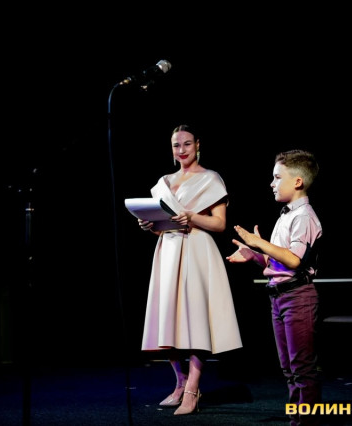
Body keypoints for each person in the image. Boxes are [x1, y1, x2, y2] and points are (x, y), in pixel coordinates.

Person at [136, 124, 243, 416]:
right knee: (166, 319)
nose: (181, 150)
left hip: (197, 250)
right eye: (176, 145)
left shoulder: (210, 179)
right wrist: (150, 225)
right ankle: (180, 381)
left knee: (196, 321)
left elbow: (219, 224)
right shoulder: (164, 181)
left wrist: (192, 217)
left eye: (186, 143)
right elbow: (163, 226)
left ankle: (193, 387)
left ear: (197, 145)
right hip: (168, 251)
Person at [226, 149, 322, 426]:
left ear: (298, 181)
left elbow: (294, 260)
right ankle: (296, 417)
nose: (272, 183)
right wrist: (255, 255)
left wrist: (260, 243)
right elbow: (278, 261)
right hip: (279, 297)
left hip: (298, 297)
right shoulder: (285, 216)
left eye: (277, 177)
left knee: (302, 367)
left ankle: (306, 421)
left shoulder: (304, 216)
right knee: (288, 367)